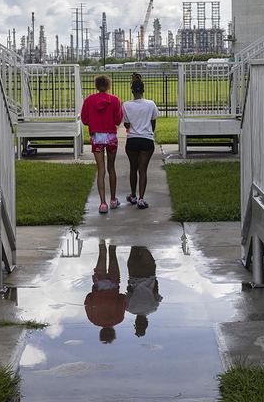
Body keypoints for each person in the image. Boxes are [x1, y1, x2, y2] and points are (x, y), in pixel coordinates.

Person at [81, 74, 123, 214]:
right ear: (108, 85)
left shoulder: (88, 100)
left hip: (97, 137)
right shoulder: (115, 100)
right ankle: (113, 199)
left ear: (96, 85)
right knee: (111, 168)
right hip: (111, 136)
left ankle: (103, 203)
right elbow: (118, 120)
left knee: (101, 170)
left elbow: (85, 120)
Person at [122, 73, 159, 209]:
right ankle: (141, 199)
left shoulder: (126, 105)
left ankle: (133, 195)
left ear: (132, 91)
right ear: (143, 90)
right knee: (142, 170)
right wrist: (148, 132)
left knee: (133, 168)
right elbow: (153, 122)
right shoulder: (151, 104)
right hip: (146, 140)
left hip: (132, 140)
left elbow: (126, 124)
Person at [84, 239, 126, 343]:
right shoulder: (93, 320)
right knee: (102, 254)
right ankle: (101, 235)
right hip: (99, 282)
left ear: (114, 333)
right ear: (101, 333)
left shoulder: (118, 319)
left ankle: (113, 235)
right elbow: (88, 301)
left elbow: (122, 300)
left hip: (113, 282)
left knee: (113, 253)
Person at [125, 246, 162, 338]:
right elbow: (129, 291)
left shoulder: (153, 307)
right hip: (134, 273)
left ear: (147, 322)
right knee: (134, 244)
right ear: (135, 322)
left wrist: (154, 279)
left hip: (148, 272)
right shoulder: (130, 308)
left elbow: (156, 290)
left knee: (143, 244)